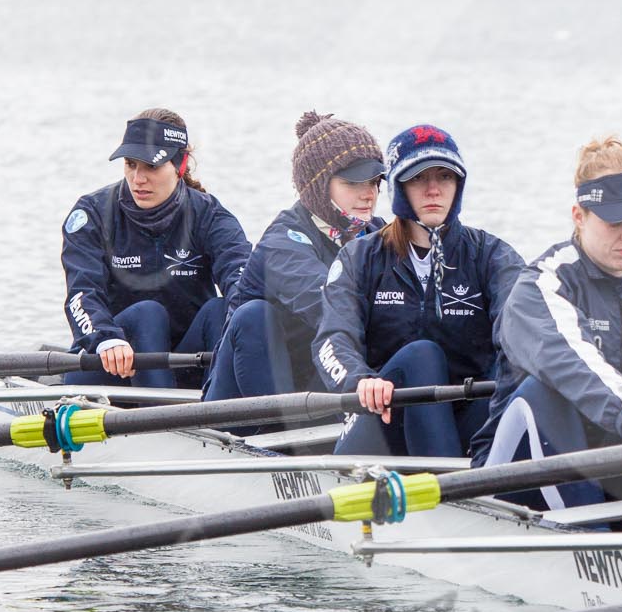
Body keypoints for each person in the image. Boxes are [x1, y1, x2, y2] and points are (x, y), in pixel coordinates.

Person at [480, 135, 622, 509]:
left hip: (620, 462)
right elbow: (568, 359)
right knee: (546, 390)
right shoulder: (542, 284)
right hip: (519, 470)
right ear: (579, 217)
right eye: (616, 221)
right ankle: (597, 533)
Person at [312, 124, 523, 459]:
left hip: (469, 420)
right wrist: (359, 379)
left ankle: (480, 474)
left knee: (523, 378)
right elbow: (331, 339)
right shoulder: (361, 257)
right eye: (419, 178)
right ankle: (452, 487)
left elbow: (521, 337)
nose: (434, 190)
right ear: (398, 188)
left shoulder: (493, 257)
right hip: (383, 420)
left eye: (445, 177)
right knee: (422, 355)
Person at [60, 108, 249, 390]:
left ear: (180, 164)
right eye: (131, 164)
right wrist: (105, 337)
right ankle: (166, 416)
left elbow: (241, 279)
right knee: (148, 313)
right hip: (109, 366)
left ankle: (221, 408)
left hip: (186, 363)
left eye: (151, 166)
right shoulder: (93, 214)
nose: (138, 179)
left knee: (223, 309)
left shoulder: (209, 215)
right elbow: (81, 294)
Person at [203, 112, 385, 404]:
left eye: (375, 181)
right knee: (254, 315)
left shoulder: (378, 234)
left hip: (316, 386)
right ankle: (276, 433)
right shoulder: (282, 241)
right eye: (354, 183)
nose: (369, 194)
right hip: (242, 395)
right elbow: (326, 305)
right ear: (318, 186)